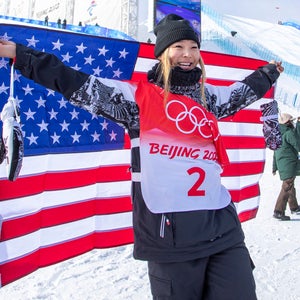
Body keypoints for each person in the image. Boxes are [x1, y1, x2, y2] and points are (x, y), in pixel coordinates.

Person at [0, 14, 284, 299]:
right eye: (178, 47)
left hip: (222, 229)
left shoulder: (208, 98)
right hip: (170, 238)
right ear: (162, 53)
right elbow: (72, 82)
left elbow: (242, 93)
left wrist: (269, 73)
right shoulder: (135, 100)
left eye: (193, 47)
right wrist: (19, 54)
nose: (187, 55)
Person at [272, 113, 300, 221]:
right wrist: (299, 125)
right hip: (289, 164)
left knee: (289, 185)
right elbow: (298, 145)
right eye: (291, 121)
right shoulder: (289, 133)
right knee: (287, 186)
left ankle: (294, 207)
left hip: (282, 164)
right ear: (287, 123)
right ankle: (278, 211)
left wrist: (274, 167)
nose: (292, 122)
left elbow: (275, 153)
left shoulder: (278, 134)